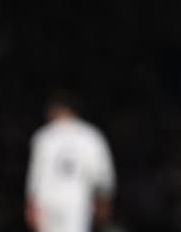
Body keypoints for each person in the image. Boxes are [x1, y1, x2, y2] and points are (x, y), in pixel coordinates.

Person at [24, 94, 114, 232]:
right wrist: (104, 200)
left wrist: (31, 203)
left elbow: (36, 175)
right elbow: (102, 174)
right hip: (77, 198)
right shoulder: (90, 135)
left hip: (47, 199)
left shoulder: (43, 135)